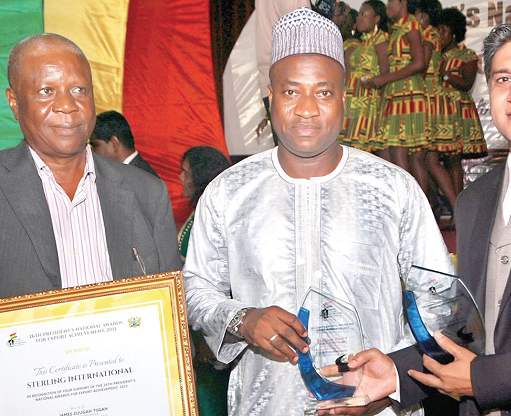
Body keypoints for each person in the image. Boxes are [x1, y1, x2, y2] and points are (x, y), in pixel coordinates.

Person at [321, 19, 511, 416]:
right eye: (503, 79)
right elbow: (470, 327)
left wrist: (488, 379)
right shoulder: (474, 200)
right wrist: (397, 373)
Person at [183, 7, 453, 416]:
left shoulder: (392, 188)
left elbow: (439, 298)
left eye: (323, 92)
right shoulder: (229, 192)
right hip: (268, 403)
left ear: (344, 98)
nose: (307, 109)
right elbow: (196, 287)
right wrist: (242, 318)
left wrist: (389, 384)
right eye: (291, 91)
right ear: (270, 97)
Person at [0, 34, 181, 298]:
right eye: (46, 91)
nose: (67, 105)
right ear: (14, 103)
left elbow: (170, 310)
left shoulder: (147, 193)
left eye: (79, 90)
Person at [178, 147, 231, 416]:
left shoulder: (213, 212)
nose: (180, 178)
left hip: (210, 332)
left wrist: (204, 338)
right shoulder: (198, 209)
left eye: (185, 173)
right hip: (196, 327)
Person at [368, 0, 428, 189]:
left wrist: (385, 79)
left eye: (390, 2)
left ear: (403, 2)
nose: (387, 7)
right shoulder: (397, 28)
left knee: (399, 152)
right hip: (396, 91)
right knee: (390, 153)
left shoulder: (411, 24)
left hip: (408, 91)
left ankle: (413, 208)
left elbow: (419, 63)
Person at [438, 8, 486, 196]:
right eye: (438, 30)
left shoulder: (467, 55)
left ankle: (458, 206)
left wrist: (446, 76)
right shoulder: (433, 54)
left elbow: (467, 83)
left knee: (453, 159)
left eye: (444, 30)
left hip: (456, 111)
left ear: (454, 32)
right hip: (437, 110)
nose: (440, 34)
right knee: (431, 160)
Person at [415, 0, 457, 214]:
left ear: (424, 15)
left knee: (419, 157)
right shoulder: (430, 33)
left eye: (418, 14)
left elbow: (421, 67)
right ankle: (448, 207)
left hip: (428, 97)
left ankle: (428, 208)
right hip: (429, 96)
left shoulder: (428, 34)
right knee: (430, 161)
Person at [255, 0, 311, 143]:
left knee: (285, 147)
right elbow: (302, 40)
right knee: (299, 148)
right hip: (292, 79)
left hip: (270, 76)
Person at [338, 0, 390, 153]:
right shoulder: (361, 43)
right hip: (352, 102)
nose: (359, 18)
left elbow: (385, 76)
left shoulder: (382, 40)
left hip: (368, 105)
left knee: (366, 155)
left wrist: (380, 112)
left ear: (377, 18)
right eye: (359, 14)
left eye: (364, 14)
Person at [89, 110, 159, 177]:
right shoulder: (131, 171)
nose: (91, 151)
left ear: (114, 143)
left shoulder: (141, 178)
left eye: (95, 145)